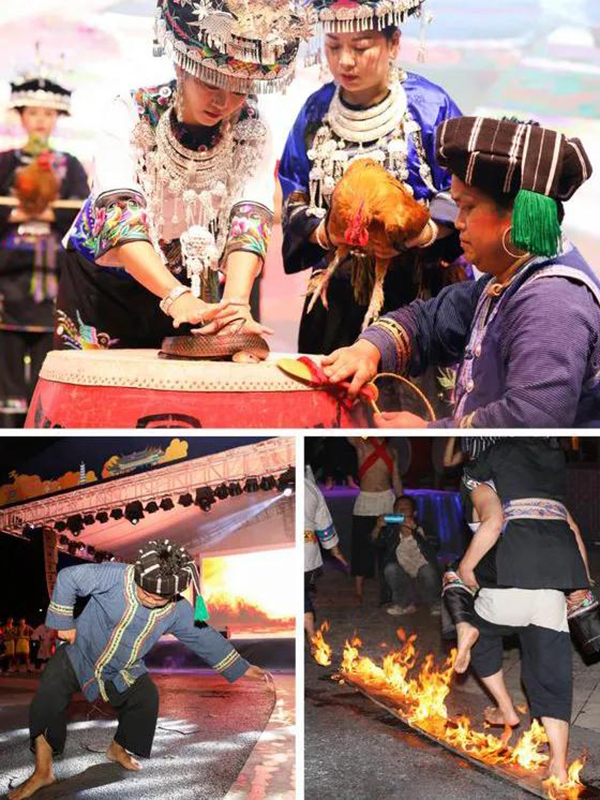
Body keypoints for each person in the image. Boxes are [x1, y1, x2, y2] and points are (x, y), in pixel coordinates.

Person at [55, 0, 309, 351]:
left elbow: (249, 216)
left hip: (191, 282)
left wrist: (235, 305)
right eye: (211, 83)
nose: (223, 102)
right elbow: (121, 218)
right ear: (181, 66)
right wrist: (175, 296)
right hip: (106, 279)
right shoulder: (131, 113)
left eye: (239, 90)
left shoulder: (251, 127)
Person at [322, 116, 600, 428]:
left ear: (516, 217)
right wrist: (369, 349)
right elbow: (428, 320)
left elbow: (530, 420)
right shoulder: (510, 280)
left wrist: (429, 432)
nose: (457, 222)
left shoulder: (553, 304)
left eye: (467, 207)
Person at [8, 539, 265, 800]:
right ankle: (43, 770)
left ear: (174, 594)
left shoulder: (177, 610)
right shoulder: (114, 576)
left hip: (123, 668)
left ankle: (118, 749)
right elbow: (68, 577)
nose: (150, 599)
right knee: (48, 694)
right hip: (79, 653)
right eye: (145, 591)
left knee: (146, 698)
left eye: (159, 598)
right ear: (137, 576)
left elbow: (203, 637)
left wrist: (241, 667)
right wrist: (64, 622)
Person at [279, 0, 464, 359]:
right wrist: (330, 232)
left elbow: (462, 191)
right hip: (337, 297)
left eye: (361, 47)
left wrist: (421, 233)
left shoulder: (430, 106)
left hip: (420, 297)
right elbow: (294, 194)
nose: (345, 61)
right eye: (333, 46)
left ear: (394, 43)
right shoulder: (316, 111)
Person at [448, 439, 591, 785]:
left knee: (456, 587)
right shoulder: (547, 484)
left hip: (506, 586)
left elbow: (493, 522)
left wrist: (465, 568)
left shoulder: (480, 482)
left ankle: (504, 705)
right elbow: (573, 530)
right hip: (552, 590)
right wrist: (583, 584)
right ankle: (559, 764)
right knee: (551, 679)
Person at [0, 66, 88, 426]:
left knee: (47, 369)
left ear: (57, 118)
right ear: (21, 116)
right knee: (5, 377)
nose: (40, 120)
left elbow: (82, 218)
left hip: (52, 278)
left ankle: (39, 428)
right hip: (8, 280)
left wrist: (42, 212)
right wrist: (17, 213)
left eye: (48, 114)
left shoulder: (71, 166)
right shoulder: (4, 162)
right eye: (33, 113)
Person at [348, 437, 403, 601]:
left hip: (387, 502)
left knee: (388, 546)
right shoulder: (361, 445)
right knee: (361, 547)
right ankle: (358, 591)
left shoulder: (393, 451)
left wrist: (402, 503)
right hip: (365, 502)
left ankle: (388, 589)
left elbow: (396, 478)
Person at [372, 495, 440, 616]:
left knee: (428, 571)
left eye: (406, 508)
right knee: (390, 568)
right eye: (398, 508)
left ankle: (435, 604)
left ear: (414, 513)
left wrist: (416, 530)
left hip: (422, 566)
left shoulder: (424, 525)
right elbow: (375, 542)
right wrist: (377, 527)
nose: (402, 510)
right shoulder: (391, 529)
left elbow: (436, 545)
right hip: (402, 567)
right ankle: (404, 605)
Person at [305, 464, 349, 642]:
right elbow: (323, 524)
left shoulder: (309, 488)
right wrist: (335, 550)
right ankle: (312, 637)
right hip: (307, 552)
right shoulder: (311, 488)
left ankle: (312, 637)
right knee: (302, 594)